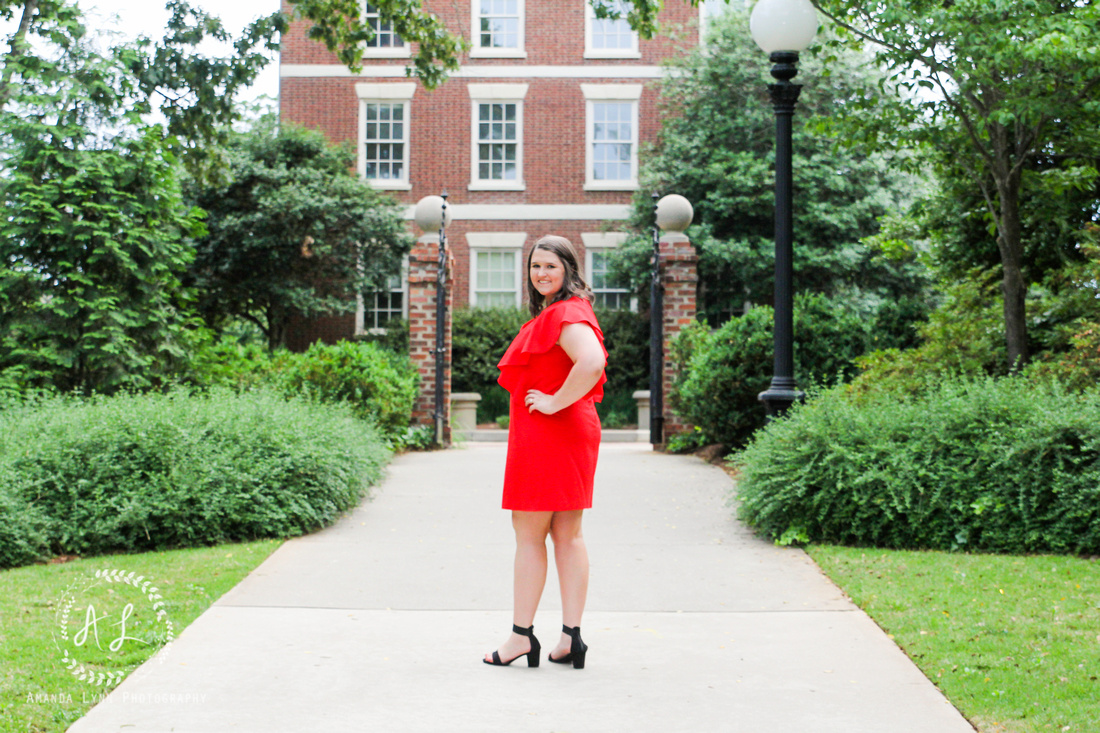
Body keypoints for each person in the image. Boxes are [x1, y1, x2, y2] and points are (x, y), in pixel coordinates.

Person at [482, 235, 608, 670]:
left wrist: (555, 401)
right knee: (568, 535)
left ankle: (520, 638)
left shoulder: (568, 313)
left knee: (531, 536)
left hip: (551, 433)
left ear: (569, 270)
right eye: (535, 267)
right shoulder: (567, 312)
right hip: (566, 433)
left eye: (550, 267)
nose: (541, 274)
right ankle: (571, 638)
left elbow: (591, 362)